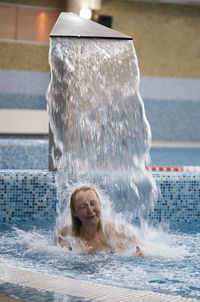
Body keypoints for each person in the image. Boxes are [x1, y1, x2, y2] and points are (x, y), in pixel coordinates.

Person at [54, 185, 145, 257]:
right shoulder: (64, 234)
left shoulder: (118, 231)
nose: (90, 210)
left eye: (93, 204)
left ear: (100, 204)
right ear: (74, 212)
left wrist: (142, 253)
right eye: (83, 207)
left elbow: (147, 248)